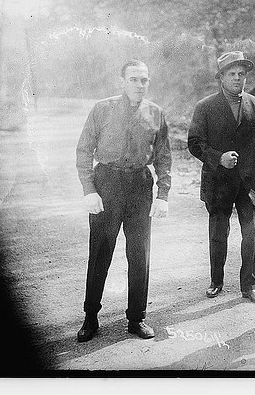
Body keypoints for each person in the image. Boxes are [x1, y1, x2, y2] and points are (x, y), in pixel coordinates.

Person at [75, 59, 171, 342]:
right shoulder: (102, 109)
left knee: (140, 254)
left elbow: (164, 156)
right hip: (107, 183)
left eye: (144, 80)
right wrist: (89, 190)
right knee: (100, 252)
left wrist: (163, 194)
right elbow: (84, 150)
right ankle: (91, 316)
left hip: (140, 185)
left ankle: (136, 318)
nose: (139, 85)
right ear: (122, 81)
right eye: (133, 79)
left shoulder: (155, 113)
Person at [188, 51, 255, 303]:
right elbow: (195, 143)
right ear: (221, 77)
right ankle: (216, 281)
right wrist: (219, 158)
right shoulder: (205, 107)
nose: (238, 79)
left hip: (249, 182)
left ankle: (249, 285)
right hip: (218, 182)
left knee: (250, 233)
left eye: (241, 74)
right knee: (218, 233)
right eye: (232, 74)